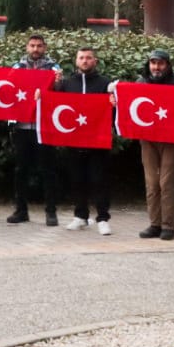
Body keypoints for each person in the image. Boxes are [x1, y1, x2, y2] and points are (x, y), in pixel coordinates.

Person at [112, 49, 174, 241]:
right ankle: (154, 224)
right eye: (153, 63)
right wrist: (115, 97)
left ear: (168, 64)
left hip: (172, 140)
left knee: (166, 183)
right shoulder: (141, 82)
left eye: (160, 63)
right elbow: (128, 102)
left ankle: (168, 226)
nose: (156, 67)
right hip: (148, 140)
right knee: (151, 183)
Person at [54, 46, 113, 235]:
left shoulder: (105, 83)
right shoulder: (66, 83)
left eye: (89, 58)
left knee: (100, 180)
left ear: (95, 61)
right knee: (77, 180)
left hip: (97, 141)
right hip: (74, 141)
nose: (85, 61)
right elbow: (53, 104)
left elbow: (115, 110)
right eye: (81, 57)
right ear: (76, 61)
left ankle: (103, 218)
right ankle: (80, 216)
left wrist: (114, 103)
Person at [6, 33, 60, 226]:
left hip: (43, 126)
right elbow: (6, 88)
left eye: (39, 46)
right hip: (21, 126)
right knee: (21, 170)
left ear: (44, 47)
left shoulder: (54, 68)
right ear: (27, 47)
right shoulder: (17, 67)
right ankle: (21, 210)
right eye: (32, 45)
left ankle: (51, 212)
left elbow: (61, 93)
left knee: (48, 170)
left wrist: (58, 82)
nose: (35, 49)